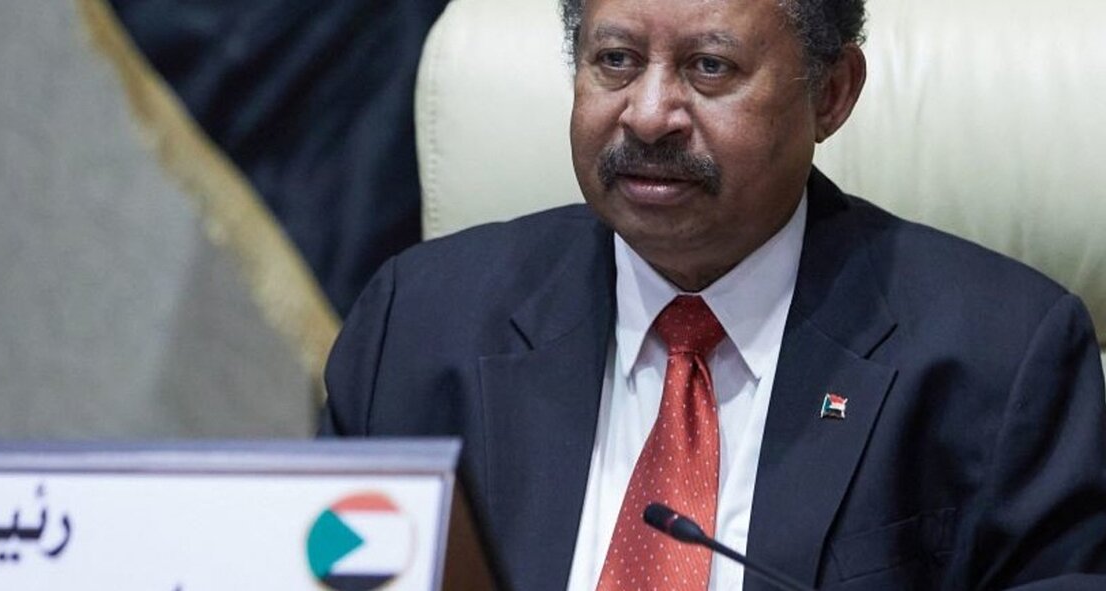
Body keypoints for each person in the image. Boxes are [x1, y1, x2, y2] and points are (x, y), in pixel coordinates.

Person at [321, 0, 1106, 588]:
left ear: (831, 93)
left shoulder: (1002, 359)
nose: (648, 115)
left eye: (709, 68)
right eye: (616, 60)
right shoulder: (416, 325)